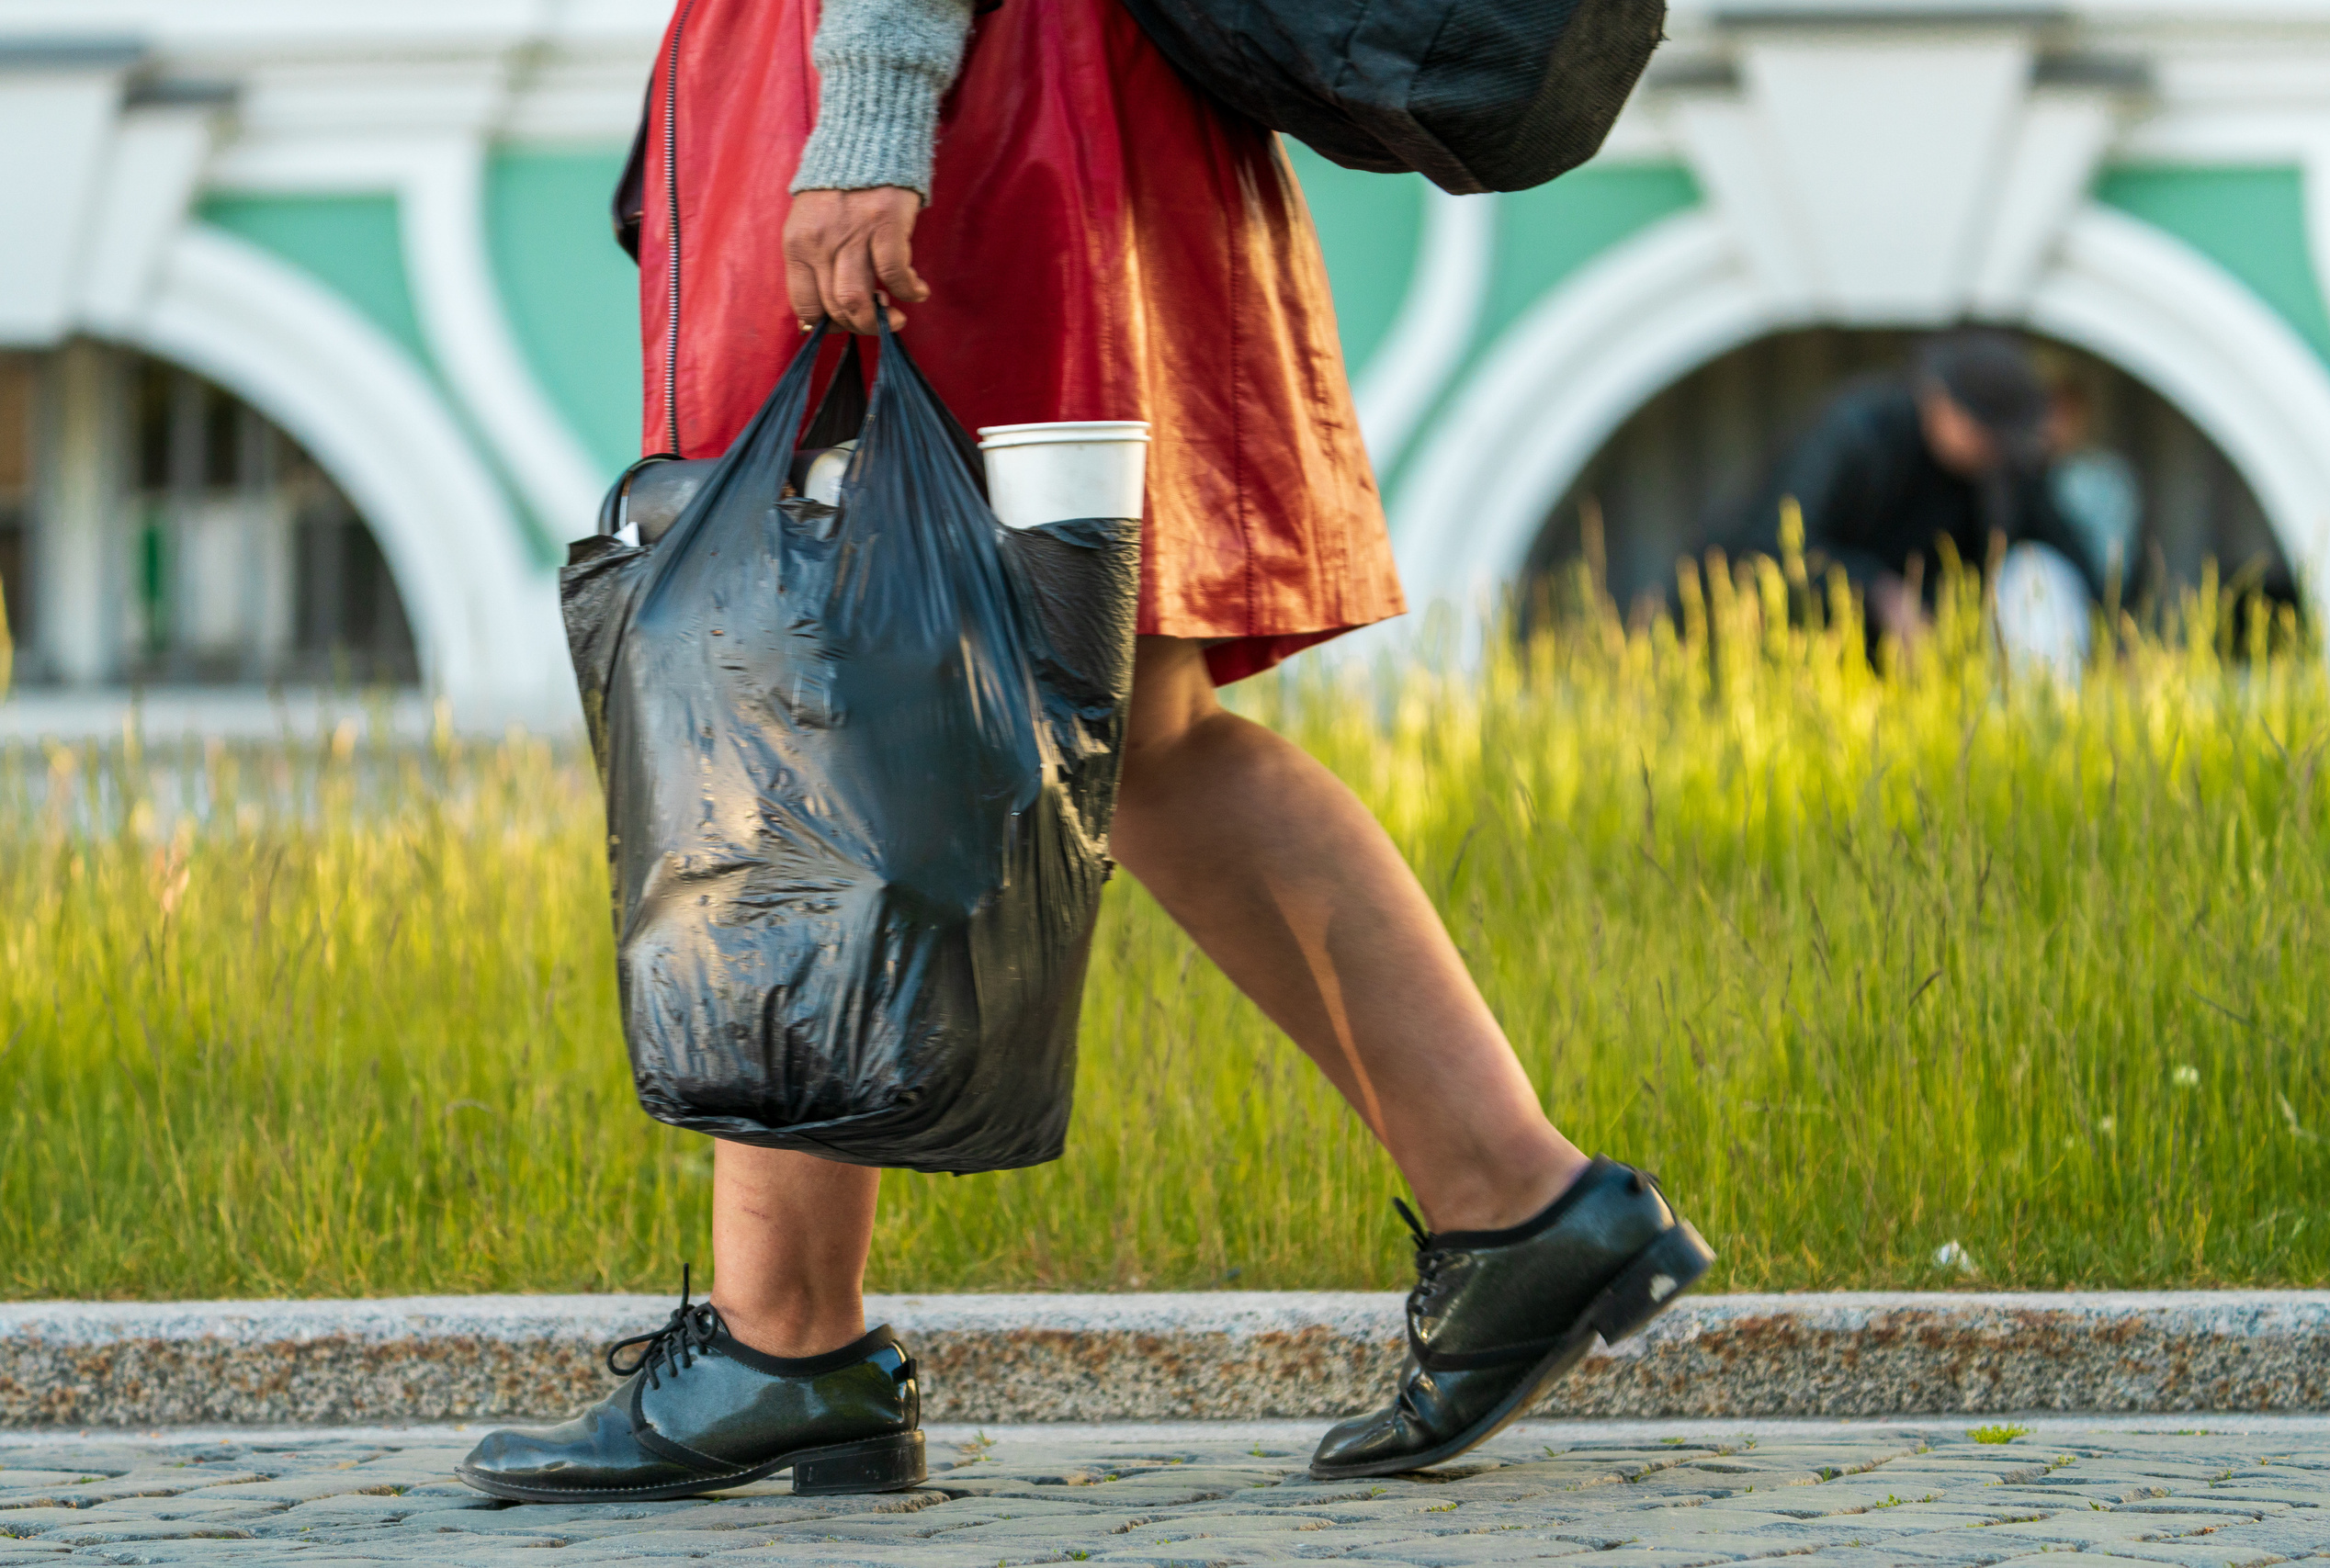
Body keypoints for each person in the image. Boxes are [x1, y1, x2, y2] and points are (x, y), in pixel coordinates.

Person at [456, 0, 1711, 1503]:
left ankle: (784, 1343)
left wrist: (866, 109)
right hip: (1042, 107)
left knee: (800, 673)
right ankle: (1515, 1200)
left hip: (947, 106)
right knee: (1134, 727)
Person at [1735, 332, 2107, 646]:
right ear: (1942, 403)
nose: (1993, 454)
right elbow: (1774, 546)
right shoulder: (1856, 436)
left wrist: (2114, 632)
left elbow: (2061, 541)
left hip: (1921, 658)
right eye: (1986, 437)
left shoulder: (1998, 466)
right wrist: (1876, 593)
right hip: (1810, 643)